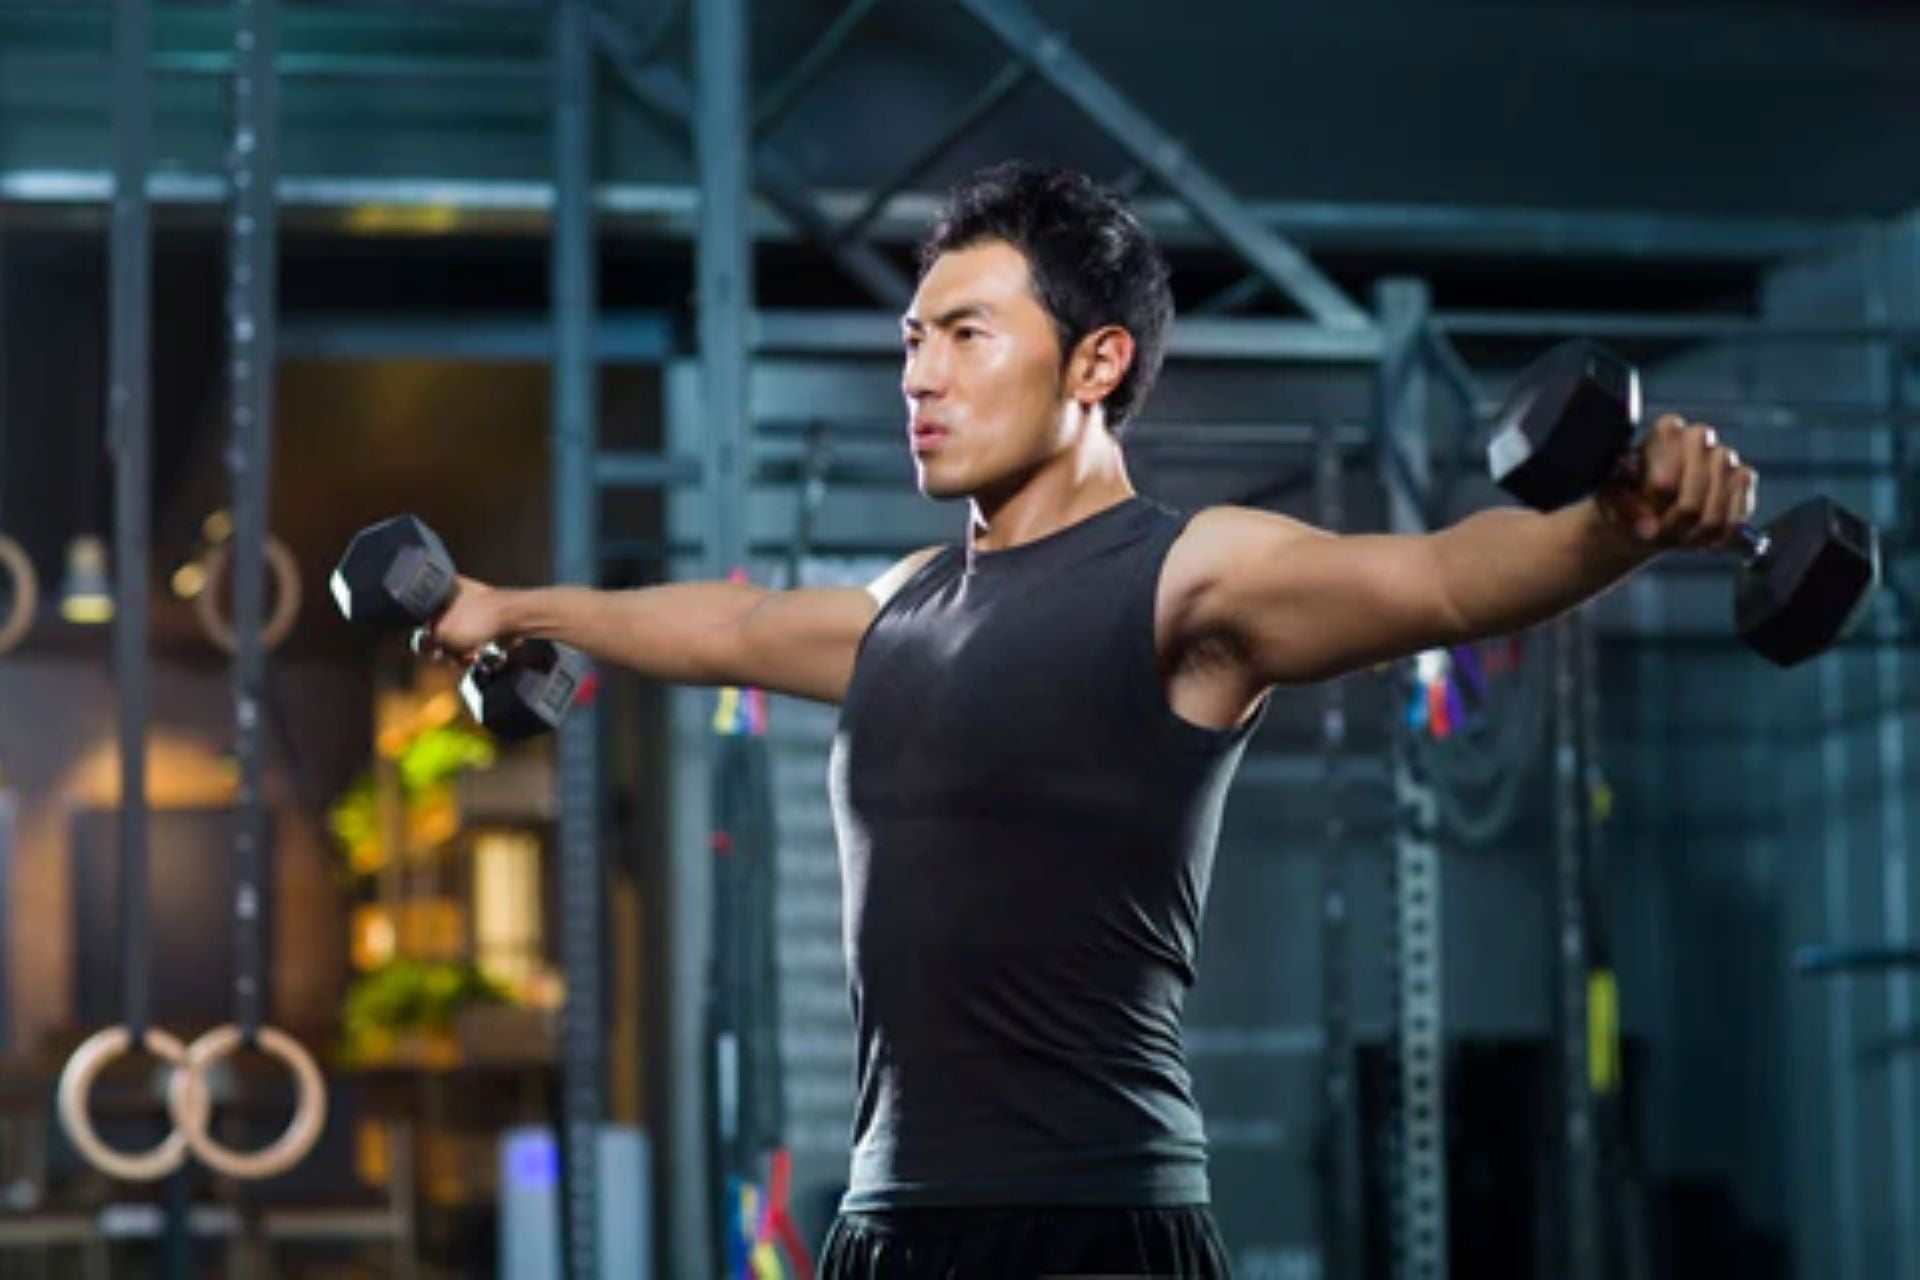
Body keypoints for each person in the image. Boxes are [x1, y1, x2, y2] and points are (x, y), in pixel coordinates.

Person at [420, 162, 1755, 1278]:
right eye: (911, 339)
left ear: (1095, 363)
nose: (920, 377)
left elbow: (1450, 579)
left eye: (967, 335)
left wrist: (1617, 524)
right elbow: (739, 629)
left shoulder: (1193, 578)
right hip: (887, 1223)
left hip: (1096, 1224)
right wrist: (508, 602)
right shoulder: (904, 605)